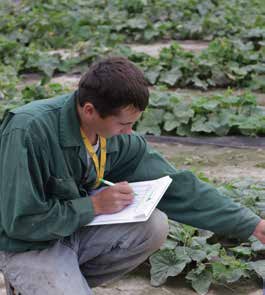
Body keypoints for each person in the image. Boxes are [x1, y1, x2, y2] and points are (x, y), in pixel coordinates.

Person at [0, 56, 264, 295]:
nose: (129, 132)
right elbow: (21, 223)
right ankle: (33, 282)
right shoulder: (28, 131)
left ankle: (62, 283)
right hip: (25, 245)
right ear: (89, 110)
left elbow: (177, 186)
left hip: (71, 231)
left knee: (153, 226)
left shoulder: (113, 137)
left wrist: (252, 224)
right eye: (123, 123)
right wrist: (93, 205)